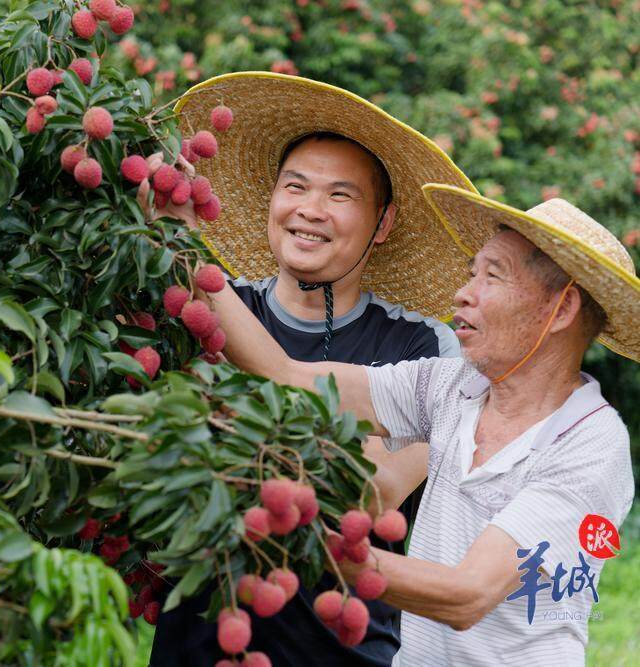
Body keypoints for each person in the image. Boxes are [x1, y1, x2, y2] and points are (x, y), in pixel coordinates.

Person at [208, 183, 638, 665]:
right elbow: (287, 376)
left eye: (492, 277)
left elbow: (468, 594)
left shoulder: (591, 443)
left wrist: (307, 541)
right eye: (471, 274)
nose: (463, 294)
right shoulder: (450, 387)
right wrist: (183, 254)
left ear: (561, 309)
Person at [147, 72, 479, 666]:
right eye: (295, 186)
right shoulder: (197, 309)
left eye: (340, 196)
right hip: (198, 646)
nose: (310, 210)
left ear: (382, 224)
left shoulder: (423, 347)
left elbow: (375, 491)